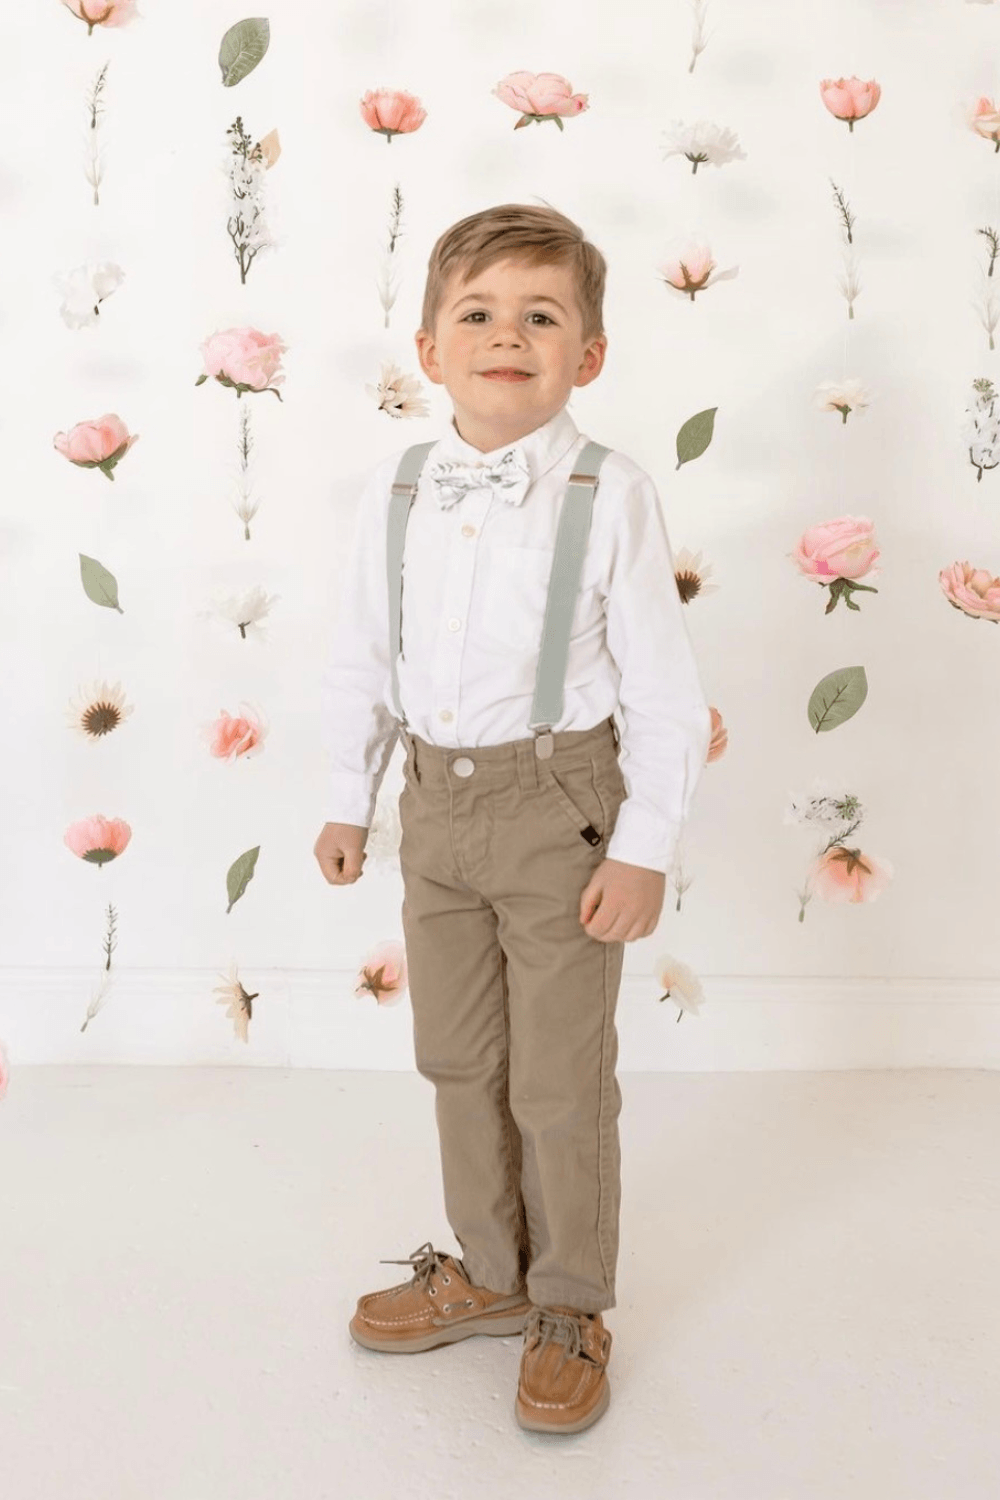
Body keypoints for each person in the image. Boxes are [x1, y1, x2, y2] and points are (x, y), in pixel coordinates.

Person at [314, 201, 713, 1435]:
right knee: (458, 1058)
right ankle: (489, 1269)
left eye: (541, 316)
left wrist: (644, 846)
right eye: (475, 314)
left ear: (585, 355)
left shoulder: (610, 490)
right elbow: (358, 656)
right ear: (428, 349)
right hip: (434, 807)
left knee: (556, 1074)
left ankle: (571, 1299)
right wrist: (348, 795)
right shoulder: (394, 486)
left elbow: (662, 689)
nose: (506, 335)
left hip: (560, 809)